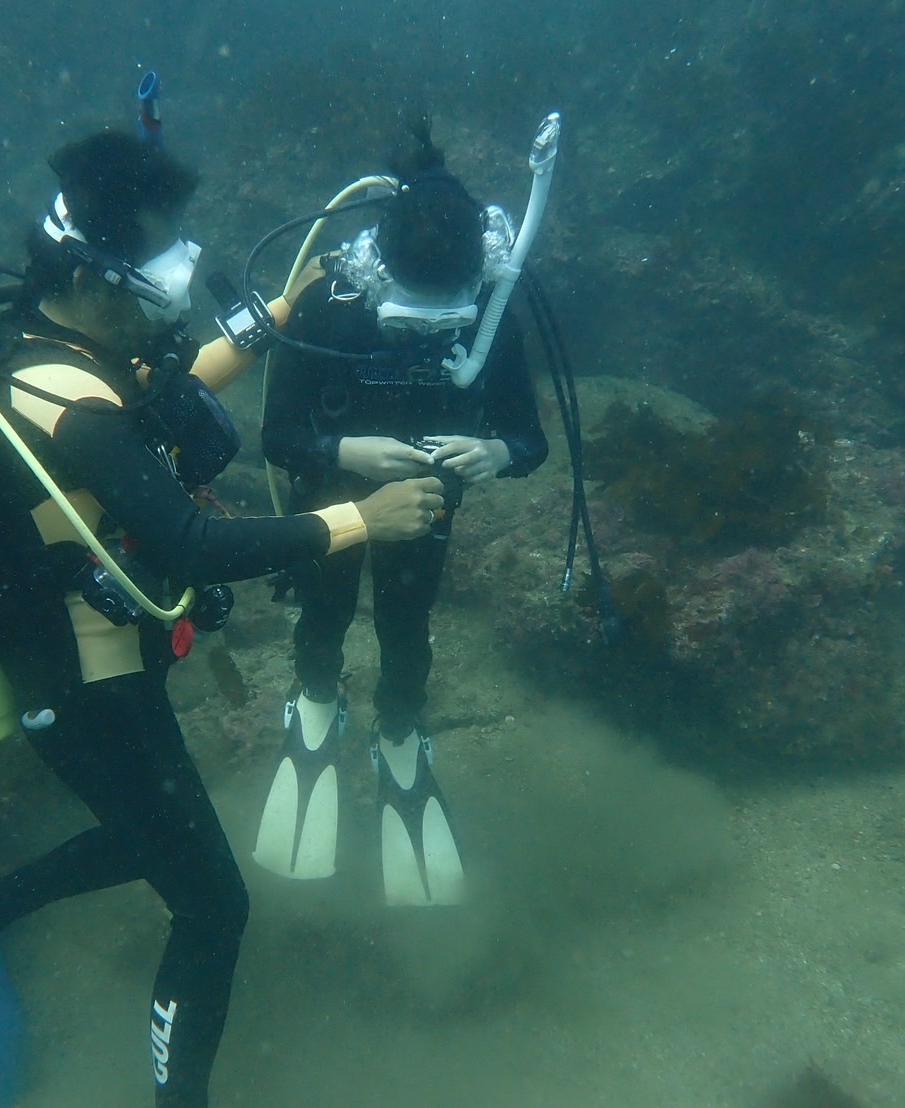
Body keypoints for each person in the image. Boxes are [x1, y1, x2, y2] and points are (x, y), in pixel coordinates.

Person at [0, 129, 443, 1107]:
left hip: (95, 663)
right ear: (104, 274)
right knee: (213, 905)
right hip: (80, 688)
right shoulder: (72, 400)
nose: (181, 276)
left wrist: (272, 315)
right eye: (164, 256)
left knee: (148, 837)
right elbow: (187, 541)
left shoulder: (44, 332)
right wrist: (361, 517)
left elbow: (163, 403)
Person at [254, 114, 550, 907]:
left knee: (405, 622)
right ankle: (316, 696)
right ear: (378, 270)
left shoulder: (492, 313)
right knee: (322, 610)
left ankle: (399, 725)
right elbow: (276, 433)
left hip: (424, 508)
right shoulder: (333, 306)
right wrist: (343, 454)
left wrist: (495, 455)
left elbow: (530, 437)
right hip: (333, 502)